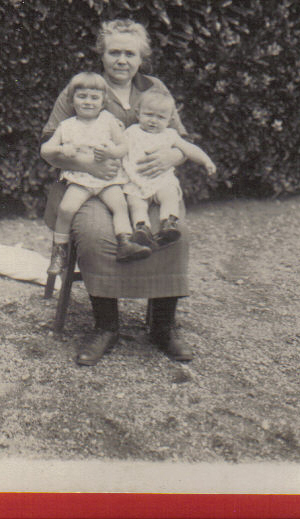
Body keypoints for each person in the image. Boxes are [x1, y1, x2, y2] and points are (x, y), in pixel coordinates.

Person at [41, 19, 195, 367]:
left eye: (130, 53)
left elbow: (182, 141)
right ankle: (106, 326)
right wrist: (86, 166)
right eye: (114, 52)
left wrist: (173, 154)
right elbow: (51, 140)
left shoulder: (155, 89)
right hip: (96, 185)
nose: (121, 60)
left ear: (142, 58)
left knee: (174, 231)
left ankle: (162, 326)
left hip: (146, 184)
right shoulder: (84, 87)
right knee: (97, 234)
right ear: (102, 55)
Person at [42, 71, 151, 276]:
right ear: (72, 100)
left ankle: (125, 242)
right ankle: (59, 251)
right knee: (66, 208)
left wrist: (112, 152)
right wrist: (61, 150)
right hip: (81, 179)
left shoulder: (108, 120)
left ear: (103, 102)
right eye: (82, 96)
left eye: (94, 97)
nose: (88, 102)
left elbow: (123, 146)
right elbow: (45, 150)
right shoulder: (66, 126)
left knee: (120, 206)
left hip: (108, 180)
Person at [124, 86, 217, 249]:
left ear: (169, 120)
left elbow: (189, 149)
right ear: (138, 113)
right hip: (135, 180)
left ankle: (169, 222)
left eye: (160, 117)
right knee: (135, 204)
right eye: (149, 115)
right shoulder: (131, 132)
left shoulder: (170, 135)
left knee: (170, 195)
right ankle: (141, 228)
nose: (153, 120)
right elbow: (118, 149)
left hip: (162, 180)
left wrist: (206, 160)